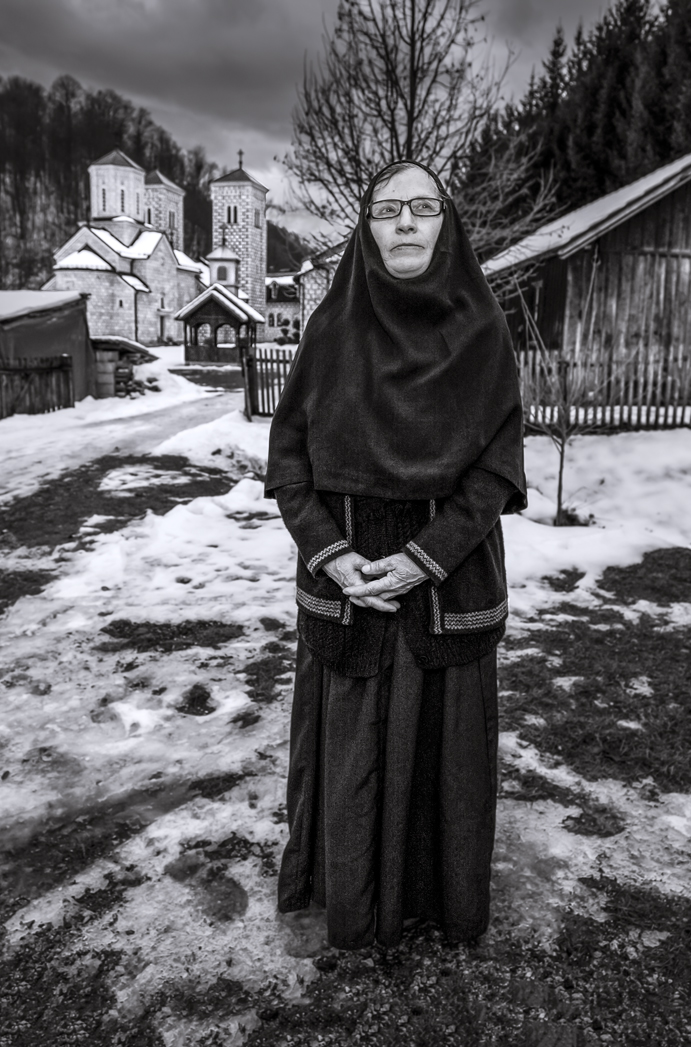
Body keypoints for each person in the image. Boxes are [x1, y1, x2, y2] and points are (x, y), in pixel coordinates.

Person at [267, 159, 526, 950]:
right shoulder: (331, 329)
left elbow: (496, 471)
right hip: (350, 586)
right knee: (349, 755)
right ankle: (348, 901)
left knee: (440, 759)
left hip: (444, 584)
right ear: (367, 227)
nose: (406, 222)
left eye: (423, 208)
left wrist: (425, 556)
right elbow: (289, 464)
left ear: (447, 226)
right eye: (388, 210)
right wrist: (332, 556)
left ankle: (436, 905)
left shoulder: (482, 332)